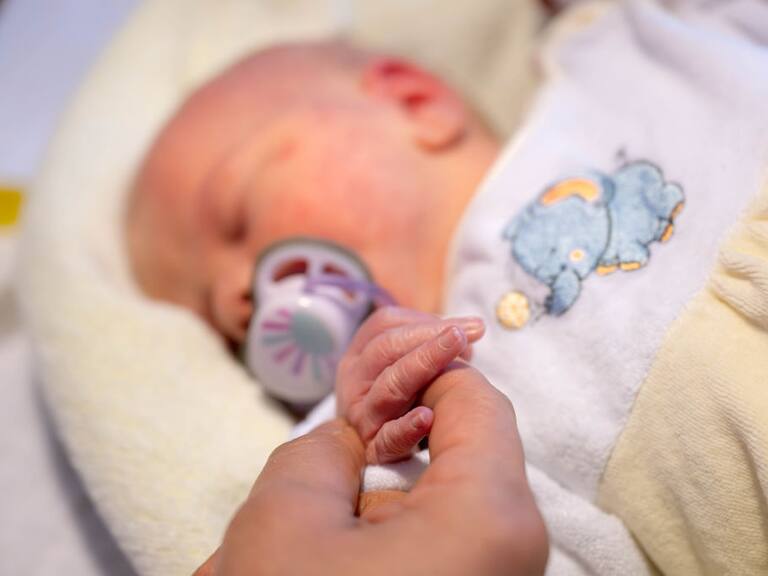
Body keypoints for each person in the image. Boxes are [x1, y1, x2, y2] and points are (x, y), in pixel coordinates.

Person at [128, 0, 768, 571]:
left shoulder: (616, 48)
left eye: (237, 214)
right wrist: (369, 431)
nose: (235, 298)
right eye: (220, 326)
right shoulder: (431, 430)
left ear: (414, 102)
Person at [193, 361, 548, 576]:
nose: (236, 288)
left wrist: (336, 432)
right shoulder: (489, 535)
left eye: (239, 231)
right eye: (235, 342)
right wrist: (458, 387)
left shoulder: (262, 541)